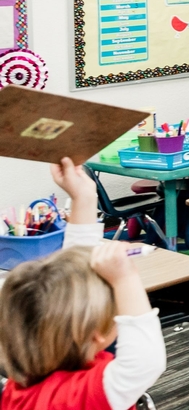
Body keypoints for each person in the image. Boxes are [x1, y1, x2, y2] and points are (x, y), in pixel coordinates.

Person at [0, 159, 165, 410]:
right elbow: (145, 362)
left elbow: (74, 275)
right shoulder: (77, 396)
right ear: (96, 334)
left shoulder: (24, 384)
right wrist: (124, 279)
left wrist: (84, 198)